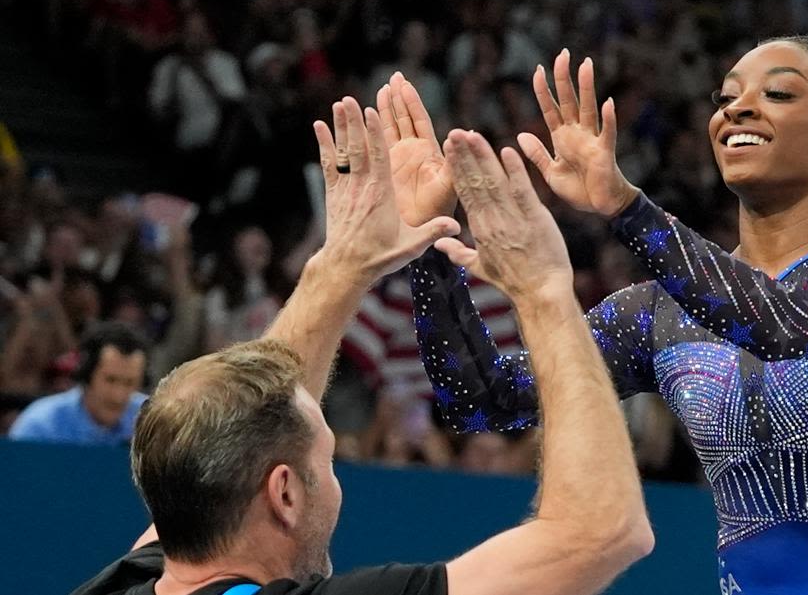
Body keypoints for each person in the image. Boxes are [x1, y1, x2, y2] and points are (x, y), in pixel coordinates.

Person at [391, 37, 808, 593]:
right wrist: (429, 243)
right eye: (725, 96)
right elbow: (487, 401)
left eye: (778, 92)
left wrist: (622, 204)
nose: (738, 107)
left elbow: (782, 326)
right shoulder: (660, 312)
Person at [70, 96, 653, 595]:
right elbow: (601, 531)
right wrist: (546, 291)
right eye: (326, 460)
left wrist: (345, 263)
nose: (334, 475)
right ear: (285, 492)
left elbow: (245, 412)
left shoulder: (126, 580)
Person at [9, 322, 148, 445]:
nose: (118, 395)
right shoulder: (41, 425)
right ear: (87, 374)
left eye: (130, 383)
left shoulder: (152, 423)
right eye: (110, 380)